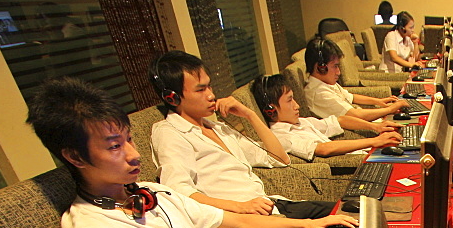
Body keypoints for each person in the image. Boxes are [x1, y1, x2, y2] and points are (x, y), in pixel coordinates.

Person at [27, 76, 357, 228]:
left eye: (129, 140)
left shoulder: (152, 194)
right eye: (115, 147)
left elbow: (240, 221)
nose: (134, 154)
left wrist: (308, 223)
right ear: (74, 156)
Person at [147, 51, 327, 218]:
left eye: (209, 87)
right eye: (201, 90)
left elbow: (280, 159)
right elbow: (178, 192)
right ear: (172, 97)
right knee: (345, 223)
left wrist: (250, 115)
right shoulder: (170, 133)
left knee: (349, 210)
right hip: (246, 217)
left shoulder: (218, 128)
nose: (211, 95)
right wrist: (239, 206)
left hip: (273, 205)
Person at [253, 74, 402, 160]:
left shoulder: (300, 122)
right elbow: (323, 149)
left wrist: (375, 127)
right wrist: (375, 141)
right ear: (271, 110)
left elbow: (340, 120)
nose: (296, 105)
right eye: (289, 100)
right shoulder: (281, 137)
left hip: (365, 153)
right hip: (356, 162)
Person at [304, 36, 408, 122]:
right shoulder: (319, 93)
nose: (338, 72)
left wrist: (378, 101)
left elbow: (350, 97)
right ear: (321, 67)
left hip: (365, 121)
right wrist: (389, 109)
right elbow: (357, 115)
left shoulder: (325, 82)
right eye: (335, 66)